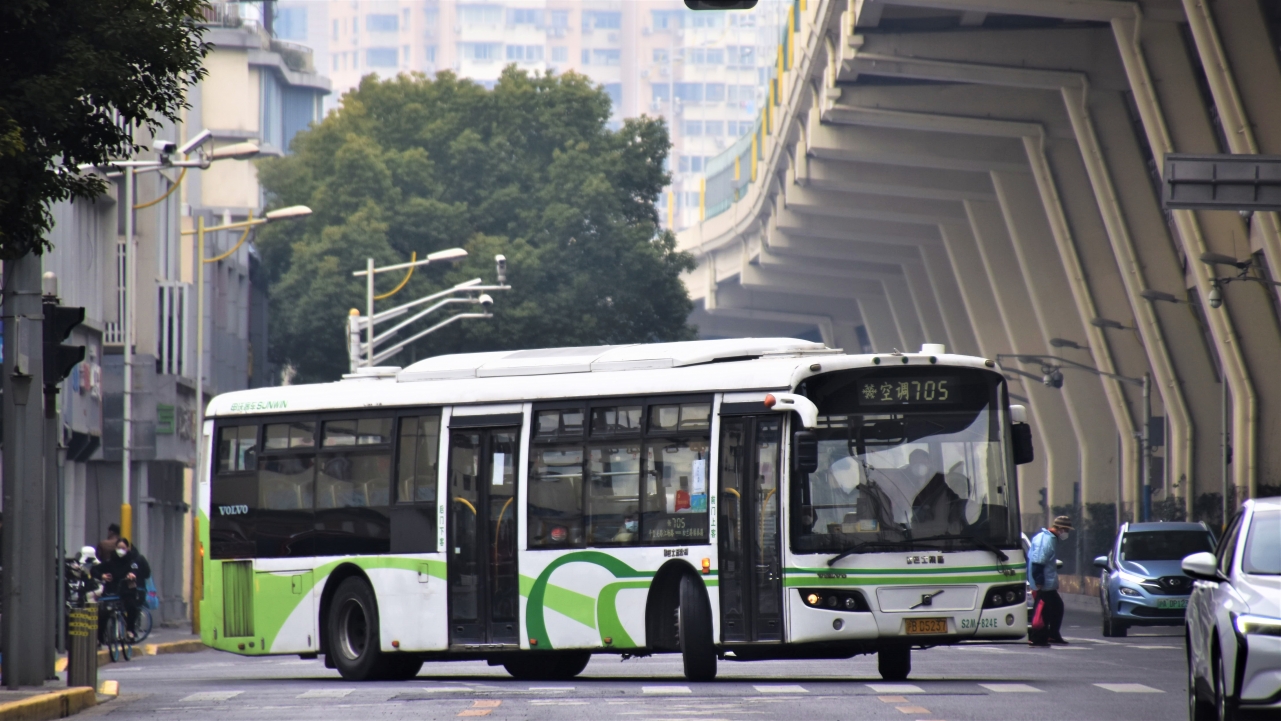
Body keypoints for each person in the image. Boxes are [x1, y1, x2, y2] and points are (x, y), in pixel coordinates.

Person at [1027, 515, 1073, 646]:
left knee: (1055, 607)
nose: (1067, 533)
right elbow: (1038, 561)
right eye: (1066, 530)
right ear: (1060, 528)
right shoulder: (1046, 540)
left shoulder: (1050, 539)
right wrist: (1039, 581)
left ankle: (1051, 635)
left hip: (1046, 583)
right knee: (1043, 611)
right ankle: (1038, 637)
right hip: (1044, 584)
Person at [94, 537, 151, 641]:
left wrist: (132, 575)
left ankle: (130, 631)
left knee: (132, 607)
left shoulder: (132, 561)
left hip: (126, 591)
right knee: (103, 613)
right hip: (111, 592)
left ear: (127, 548)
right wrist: (102, 576)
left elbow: (137, 570)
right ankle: (100, 638)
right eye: (119, 548)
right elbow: (94, 570)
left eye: (123, 548)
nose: (121, 550)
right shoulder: (110, 562)